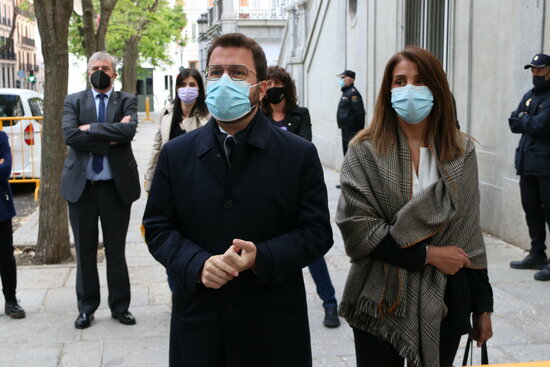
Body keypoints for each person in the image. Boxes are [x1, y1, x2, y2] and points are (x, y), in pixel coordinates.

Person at [143, 33, 333, 366]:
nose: (223, 80)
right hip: (200, 329)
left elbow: (317, 233)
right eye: (215, 72)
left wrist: (263, 257)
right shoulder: (177, 154)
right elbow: (158, 227)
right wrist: (197, 263)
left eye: (238, 72)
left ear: (260, 89)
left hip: (272, 330)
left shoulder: (298, 154)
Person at [336, 46, 493, 367]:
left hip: (447, 296)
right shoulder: (363, 150)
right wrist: (428, 255)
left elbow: (469, 234)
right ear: (388, 90)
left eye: (420, 81)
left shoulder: (460, 151)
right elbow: (357, 228)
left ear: (437, 89)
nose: (410, 89)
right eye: (400, 81)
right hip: (378, 299)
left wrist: (483, 308)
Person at [61, 51, 140, 329]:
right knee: (84, 252)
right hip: (81, 189)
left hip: (116, 189)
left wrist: (91, 129)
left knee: (116, 251)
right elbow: (70, 135)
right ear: (87, 72)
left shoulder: (127, 100)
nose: (100, 71)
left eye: (105, 68)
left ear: (114, 73)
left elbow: (128, 133)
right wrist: (110, 135)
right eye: (95, 67)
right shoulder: (74, 100)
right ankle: (86, 307)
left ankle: (120, 307)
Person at [262, 65, 340, 328]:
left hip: (295, 194)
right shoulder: (258, 116)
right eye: (268, 83)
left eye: (277, 83)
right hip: (268, 196)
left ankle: (329, 303)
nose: (273, 88)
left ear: (286, 87)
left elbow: (305, 147)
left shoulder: (299, 114)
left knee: (312, 253)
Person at [144, 68, 209, 290]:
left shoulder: (206, 116)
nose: (187, 90)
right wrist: (149, 180)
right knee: (169, 241)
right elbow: (157, 148)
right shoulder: (167, 113)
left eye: (192, 85)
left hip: (197, 189)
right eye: (183, 85)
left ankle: (192, 284)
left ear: (200, 88)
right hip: (169, 187)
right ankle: (175, 289)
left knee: (193, 239)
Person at [508, 53, 550, 281]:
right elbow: (513, 123)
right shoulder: (530, 96)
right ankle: (537, 254)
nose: (535, 74)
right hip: (527, 165)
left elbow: (542, 124)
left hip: (546, 167)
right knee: (532, 212)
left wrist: (525, 120)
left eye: (539, 70)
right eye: (533, 70)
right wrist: (526, 120)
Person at [0, 131, 25, 319]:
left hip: (1, 208)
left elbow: (6, 168)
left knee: (6, 256)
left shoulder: (1, 137)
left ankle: (11, 301)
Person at [337, 69, 365, 156]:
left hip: (352, 130)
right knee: (346, 153)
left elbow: (359, 113)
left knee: (351, 154)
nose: (341, 80)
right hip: (345, 129)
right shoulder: (346, 92)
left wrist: (359, 130)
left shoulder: (353, 93)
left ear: (351, 79)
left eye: (343, 77)